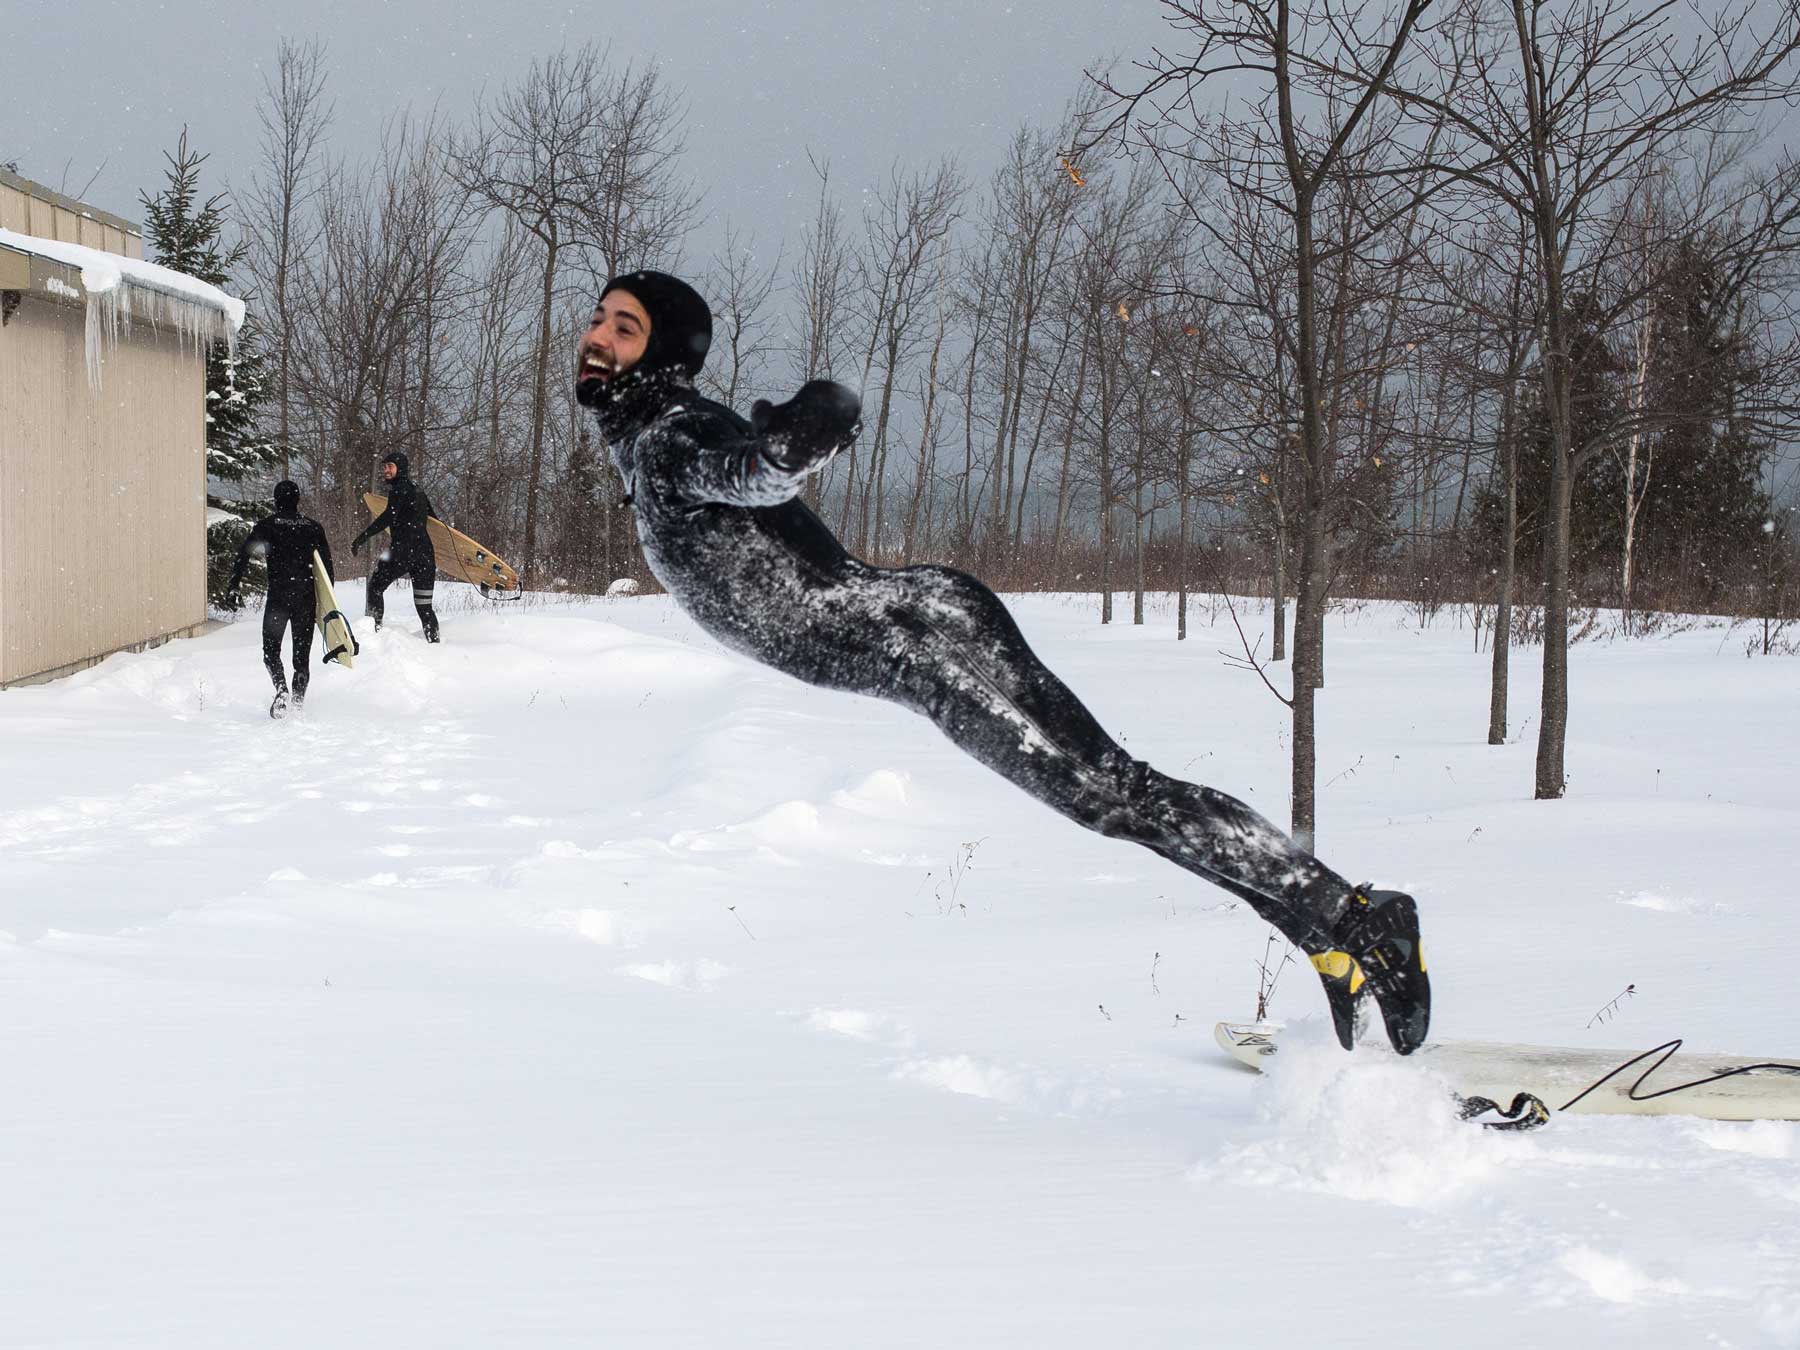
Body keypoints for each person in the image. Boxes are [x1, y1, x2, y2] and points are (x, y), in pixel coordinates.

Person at [576, 270, 1430, 1055]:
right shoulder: (643, 435)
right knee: (1117, 800)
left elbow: (751, 475)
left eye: (625, 326)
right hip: (918, 641)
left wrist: (794, 447)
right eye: (599, 319)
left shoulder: (668, 435)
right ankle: (1325, 930)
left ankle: (1358, 916)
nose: (599, 335)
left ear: (665, 353)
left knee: (1115, 795)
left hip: (922, 639)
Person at [226, 480, 334, 719]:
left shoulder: (267, 525)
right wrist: (328, 604)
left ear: (276, 500)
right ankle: (297, 703)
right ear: (298, 499)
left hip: (279, 598)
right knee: (301, 657)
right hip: (305, 599)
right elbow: (327, 569)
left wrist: (234, 585)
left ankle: (281, 688)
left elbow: (243, 554)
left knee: (270, 651)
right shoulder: (313, 527)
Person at [351, 451, 441, 642]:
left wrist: (362, 537)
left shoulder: (399, 489)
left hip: (403, 550)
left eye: (390, 466)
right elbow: (435, 522)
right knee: (424, 606)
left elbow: (387, 517)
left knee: (375, 587)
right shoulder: (419, 490)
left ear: (401, 468)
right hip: (425, 553)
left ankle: (374, 632)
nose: (386, 470)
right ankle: (435, 644)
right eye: (384, 466)